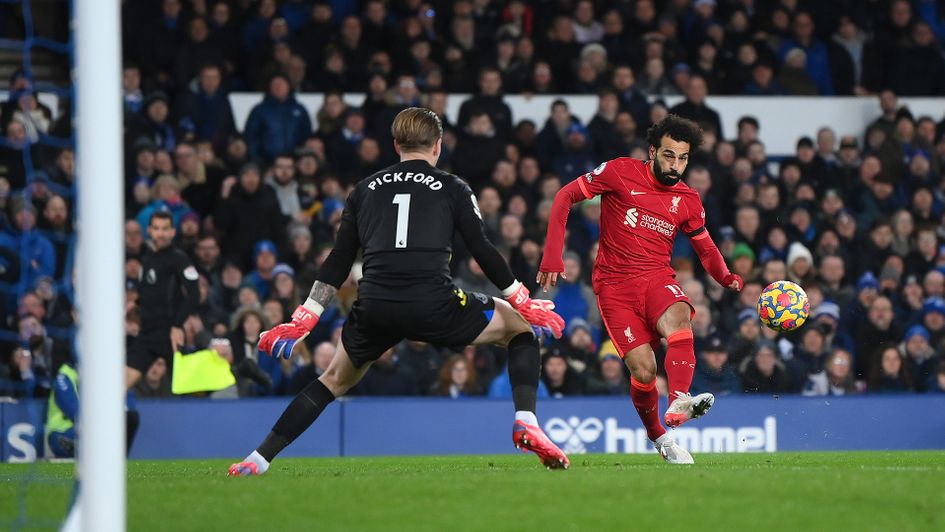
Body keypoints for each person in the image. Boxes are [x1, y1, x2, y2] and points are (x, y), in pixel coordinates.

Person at [229, 108, 568, 476]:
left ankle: (257, 459)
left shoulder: (363, 190)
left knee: (332, 380)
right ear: (437, 146)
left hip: (374, 306)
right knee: (519, 328)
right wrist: (522, 298)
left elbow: (339, 259)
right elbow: (482, 249)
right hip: (433, 303)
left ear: (396, 145)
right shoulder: (453, 187)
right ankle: (525, 421)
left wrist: (305, 316)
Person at [538, 114, 743, 464]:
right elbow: (564, 196)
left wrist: (726, 276)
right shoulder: (619, 172)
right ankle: (659, 438)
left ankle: (679, 398)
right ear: (652, 151)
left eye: (682, 158)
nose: (675, 164)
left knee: (680, 315)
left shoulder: (688, 200)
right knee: (644, 371)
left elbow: (705, 247)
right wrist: (552, 256)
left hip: (655, 277)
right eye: (668, 155)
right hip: (614, 287)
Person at [126, 211, 200, 390]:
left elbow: (194, 293)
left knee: (189, 387)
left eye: (165, 229)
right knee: (123, 381)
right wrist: (134, 305)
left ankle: (238, 371)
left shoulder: (178, 258)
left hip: (169, 334)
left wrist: (176, 325)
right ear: (149, 231)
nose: (161, 233)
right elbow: (151, 291)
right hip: (147, 332)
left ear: (173, 232)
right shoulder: (148, 257)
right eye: (157, 228)